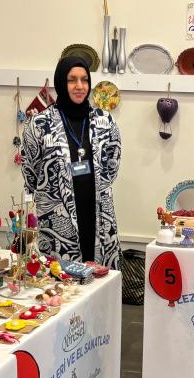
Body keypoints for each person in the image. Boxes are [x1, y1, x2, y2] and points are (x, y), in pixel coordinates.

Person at [21, 57, 122, 268]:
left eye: (84, 80)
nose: (80, 86)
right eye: (72, 80)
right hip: (57, 217)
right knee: (63, 281)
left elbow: (113, 163)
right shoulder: (39, 124)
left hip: (98, 212)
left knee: (100, 278)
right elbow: (31, 172)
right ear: (60, 82)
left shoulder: (105, 121)